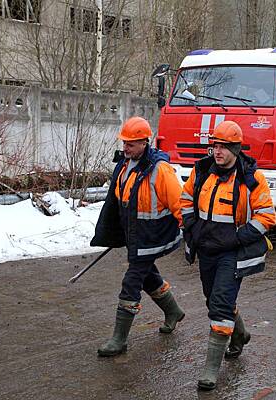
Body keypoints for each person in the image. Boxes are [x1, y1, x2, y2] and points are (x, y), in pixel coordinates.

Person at [180, 120, 276, 390]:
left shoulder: (250, 178)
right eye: (215, 146)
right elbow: (185, 200)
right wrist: (191, 227)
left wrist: (238, 238)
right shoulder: (201, 172)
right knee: (213, 300)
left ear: (235, 148)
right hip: (206, 249)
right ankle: (240, 334)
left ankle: (211, 369)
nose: (217, 151)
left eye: (223, 147)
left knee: (220, 304)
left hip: (231, 254)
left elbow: (267, 216)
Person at [91, 116, 185, 356]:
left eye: (130, 144)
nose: (125, 148)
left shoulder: (160, 169)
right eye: (124, 143)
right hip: (135, 236)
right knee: (147, 276)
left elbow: (180, 204)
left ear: (145, 142)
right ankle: (173, 311)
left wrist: (192, 234)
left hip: (152, 237)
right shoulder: (124, 166)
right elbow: (118, 203)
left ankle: (119, 340)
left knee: (131, 282)